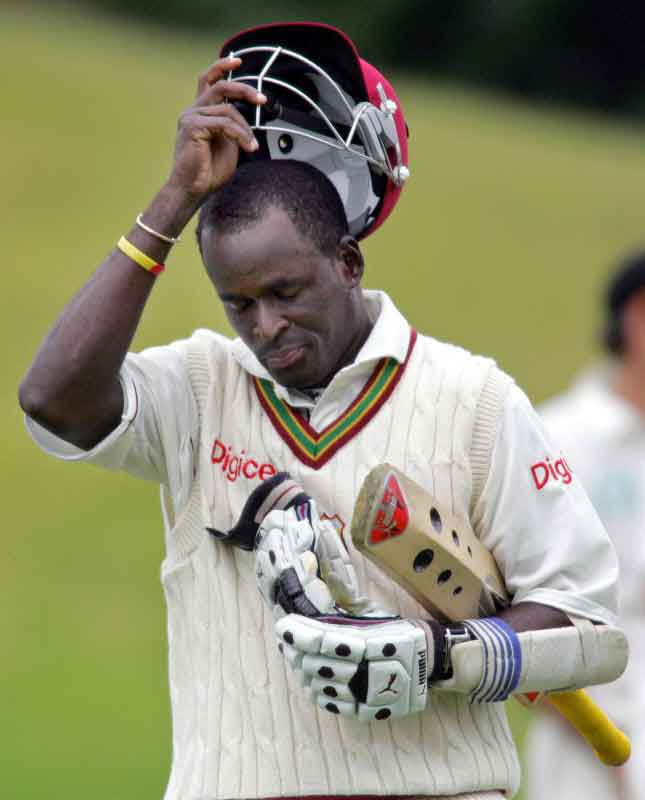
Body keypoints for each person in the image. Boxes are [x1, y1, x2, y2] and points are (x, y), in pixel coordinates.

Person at [19, 22, 621, 800]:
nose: (265, 327)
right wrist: (175, 199)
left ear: (346, 261)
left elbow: (588, 629)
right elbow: (53, 401)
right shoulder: (198, 387)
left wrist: (437, 657)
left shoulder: (472, 397)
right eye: (238, 304)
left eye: (285, 294)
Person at [525, 252, 645, 800]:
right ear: (633, 317)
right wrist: (604, 736)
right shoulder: (560, 436)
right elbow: (520, 607)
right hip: (582, 738)